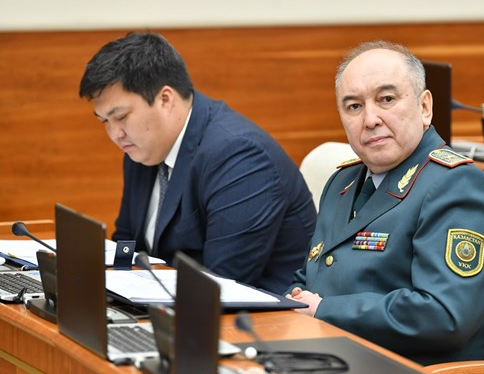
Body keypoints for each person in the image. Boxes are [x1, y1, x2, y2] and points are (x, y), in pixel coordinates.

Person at [285, 40, 484, 365]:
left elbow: (444, 315)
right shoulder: (341, 183)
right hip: (329, 358)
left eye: (386, 99)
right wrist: (291, 302)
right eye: (354, 106)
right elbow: (308, 278)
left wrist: (324, 310)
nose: (370, 119)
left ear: (425, 107)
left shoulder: (457, 187)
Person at [79, 32, 316, 294]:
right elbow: (127, 244)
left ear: (165, 99)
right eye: (104, 121)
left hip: (259, 314)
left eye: (121, 117)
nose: (115, 134)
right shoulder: (141, 148)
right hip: (171, 304)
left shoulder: (240, 157)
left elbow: (220, 283)